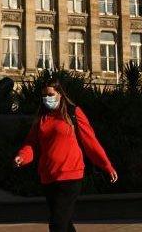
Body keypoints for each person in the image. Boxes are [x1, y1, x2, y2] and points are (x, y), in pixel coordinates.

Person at [14, 79, 118, 232]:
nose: (47, 99)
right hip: (48, 177)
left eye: (50, 94)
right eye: (44, 96)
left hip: (70, 176)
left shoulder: (73, 113)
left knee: (58, 223)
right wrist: (22, 157)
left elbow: (90, 142)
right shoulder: (42, 118)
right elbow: (32, 144)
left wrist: (106, 166)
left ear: (60, 94)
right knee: (65, 223)